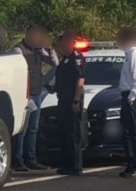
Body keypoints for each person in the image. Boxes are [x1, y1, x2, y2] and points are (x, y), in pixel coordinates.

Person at [12, 26, 53, 172]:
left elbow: (55, 63)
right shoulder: (19, 50)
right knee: (22, 129)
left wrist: (49, 49)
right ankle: (18, 160)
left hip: (38, 93)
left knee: (33, 129)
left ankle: (31, 159)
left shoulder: (38, 50)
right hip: (25, 95)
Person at [53, 31, 86, 176]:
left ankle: (76, 166)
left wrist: (76, 100)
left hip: (72, 100)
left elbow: (80, 80)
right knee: (65, 133)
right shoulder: (64, 59)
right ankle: (67, 164)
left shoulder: (76, 58)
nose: (62, 46)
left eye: (65, 43)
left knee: (73, 134)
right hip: (63, 100)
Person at [117, 27, 136, 179]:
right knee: (127, 132)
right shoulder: (128, 54)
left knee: (134, 131)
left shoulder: (135, 54)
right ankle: (130, 162)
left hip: (134, 96)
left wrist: (131, 97)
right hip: (128, 95)